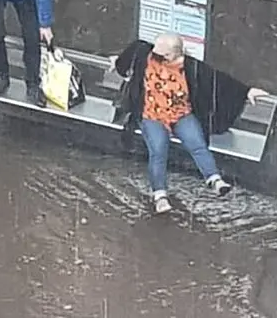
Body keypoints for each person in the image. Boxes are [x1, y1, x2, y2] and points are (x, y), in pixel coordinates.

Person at [112, 33, 268, 214]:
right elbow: (124, 62)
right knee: (158, 150)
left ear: (174, 54)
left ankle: (214, 179)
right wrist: (117, 64)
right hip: (151, 114)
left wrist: (246, 91)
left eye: (161, 54)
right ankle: (160, 196)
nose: (155, 56)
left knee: (197, 143)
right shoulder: (142, 52)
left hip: (181, 114)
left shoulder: (191, 68)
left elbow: (218, 80)